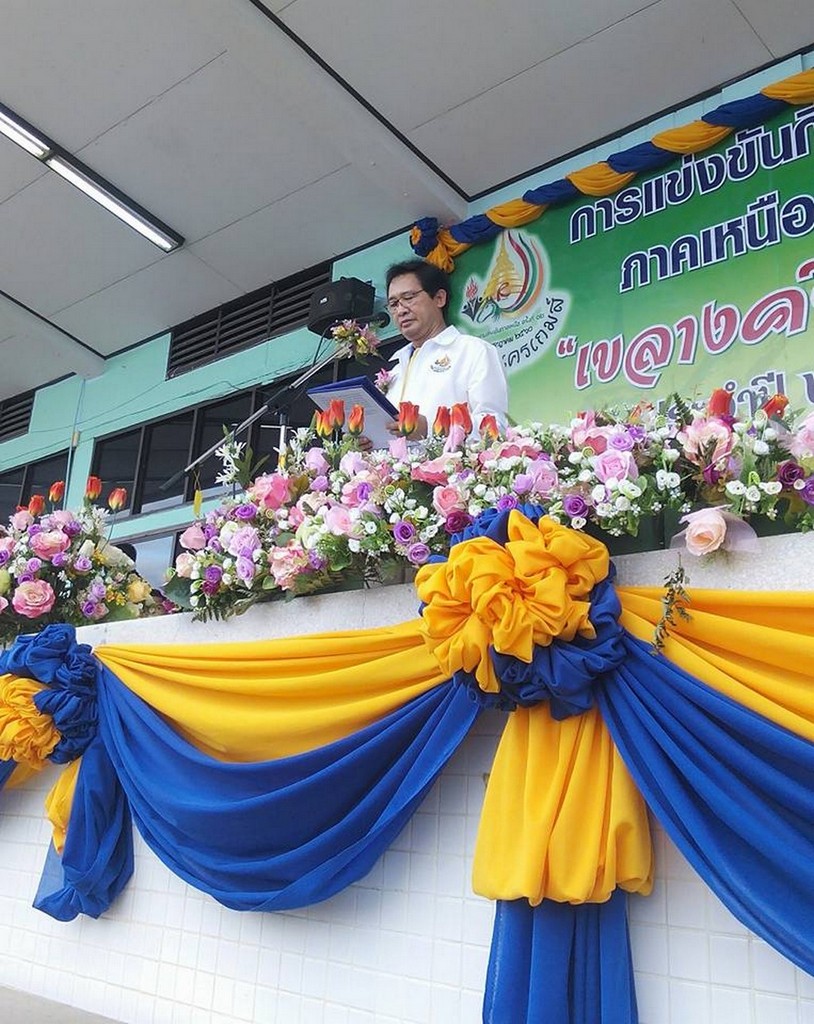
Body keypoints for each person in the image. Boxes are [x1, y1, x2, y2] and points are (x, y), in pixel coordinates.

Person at [383, 259, 508, 439]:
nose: (400, 310)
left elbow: (496, 426)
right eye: (394, 304)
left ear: (439, 298)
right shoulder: (394, 371)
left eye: (409, 298)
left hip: (454, 458)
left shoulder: (473, 351)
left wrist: (431, 429)